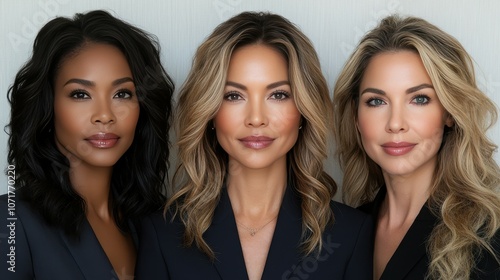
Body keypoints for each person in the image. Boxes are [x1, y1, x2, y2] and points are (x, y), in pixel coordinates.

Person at [136, 11, 372, 280]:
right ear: (210, 111)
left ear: (304, 111)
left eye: (278, 95)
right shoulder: (163, 234)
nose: (256, 118)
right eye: (234, 95)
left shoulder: (350, 234)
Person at [0, 10, 174, 279]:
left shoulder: (157, 222)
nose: (104, 115)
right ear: (49, 106)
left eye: (122, 93)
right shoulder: (11, 221)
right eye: (80, 94)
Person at [333, 14, 500, 279]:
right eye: (376, 101)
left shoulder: (489, 237)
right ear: (355, 116)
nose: (396, 123)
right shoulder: (343, 231)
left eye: (419, 99)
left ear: (449, 112)